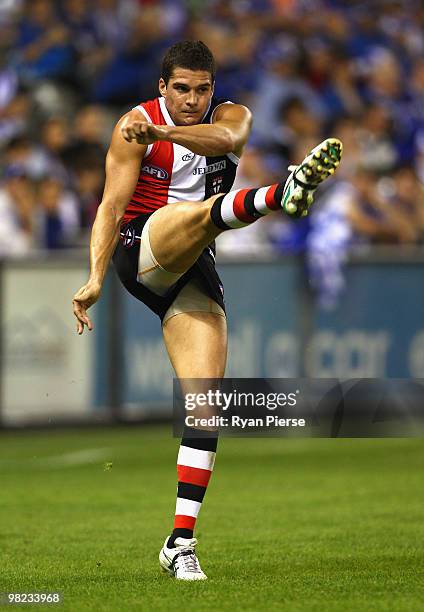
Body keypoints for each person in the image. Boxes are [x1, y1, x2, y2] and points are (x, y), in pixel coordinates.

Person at [72, 40, 342, 581]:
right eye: (181, 90)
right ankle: (277, 196)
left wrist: (167, 134)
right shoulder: (132, 125)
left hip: (195, 264)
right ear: (161, 88)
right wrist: (96, 276)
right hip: (141, 247)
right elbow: (111, 206)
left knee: (205, 405)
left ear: (212, 89)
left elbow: (225, 139)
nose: (193, 99)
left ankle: (180, 541)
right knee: (187, 216)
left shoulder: (231, 116)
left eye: (201, 90)